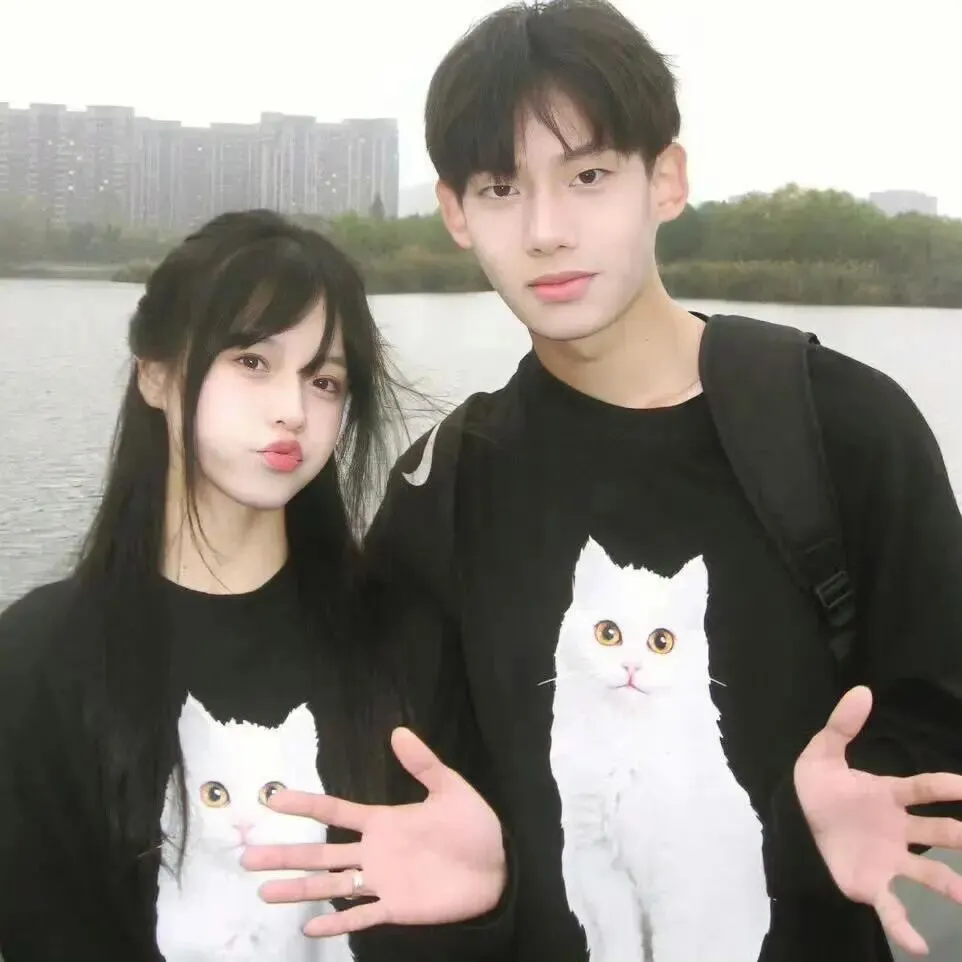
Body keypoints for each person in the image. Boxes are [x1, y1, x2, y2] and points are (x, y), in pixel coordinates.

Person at [242, 2, 962, 961]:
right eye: (502, 188)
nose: (546, 231)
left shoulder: (843, 427)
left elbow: (939, 705)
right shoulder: (445, 489)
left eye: (588, 176)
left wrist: (852, 805)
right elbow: (410, 788)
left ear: (666, 178)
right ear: (456, 213)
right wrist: (472, 895)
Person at [0, 210, 508, 962]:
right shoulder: (40, 658)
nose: (292, 411)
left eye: (324, 381)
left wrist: (491, 903)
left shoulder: (407, 642)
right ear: (156, 374)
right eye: (251, 361)